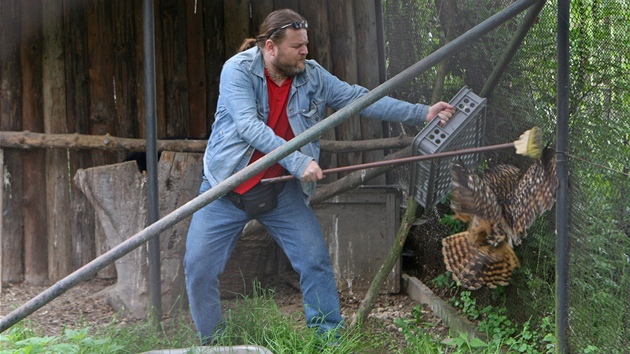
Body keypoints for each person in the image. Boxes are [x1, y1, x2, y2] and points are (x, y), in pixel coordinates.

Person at [184, 8, 454, 344]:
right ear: (270, 47)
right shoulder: (237, 71)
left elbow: (359, 99)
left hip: (279, 191)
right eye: (297, 46)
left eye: (305, 44)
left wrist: (421, 113)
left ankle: (328, 341)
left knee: (314, 262)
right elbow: (248, 126)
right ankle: (213, 342)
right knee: (199, 269)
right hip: (226, 187)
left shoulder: (311, 76)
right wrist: (298, 162)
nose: (305, 51)